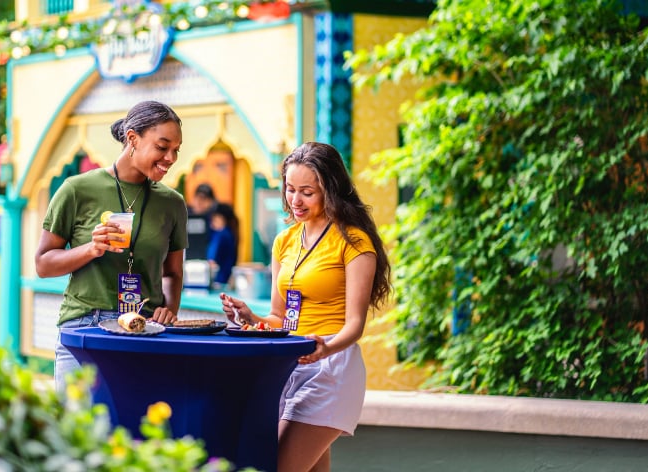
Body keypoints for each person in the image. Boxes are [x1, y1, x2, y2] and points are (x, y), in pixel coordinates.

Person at [220, 142, 391, 472]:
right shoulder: (284, 240)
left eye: (307, 192)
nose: (295, 201)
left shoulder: (353, 242)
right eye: (290, 189)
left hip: (331, 369)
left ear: (330, 191)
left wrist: (323, 348)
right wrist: (251, 318)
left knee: (275, 465)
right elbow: (280, 317)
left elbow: (354, 326)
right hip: (290, 366)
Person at [35, 100, 188, 395]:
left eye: (176, 150)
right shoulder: (77, 189)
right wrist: (90, 249)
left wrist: (168, 309)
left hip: (144, 331)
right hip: (85, 328)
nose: (170, 157)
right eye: (162, 147)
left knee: (135, 433)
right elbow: (43, 264)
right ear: (132, 139)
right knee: (80, 435)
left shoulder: (172, 203)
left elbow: (172, 272)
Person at [206, 203, 238, 289]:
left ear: (221, 218)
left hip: (218, 281)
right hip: (225, 281)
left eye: (213, 219)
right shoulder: (230, 233)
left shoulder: (221, 235)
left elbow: (212, 260)